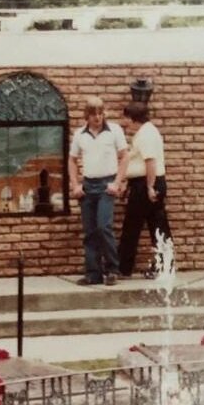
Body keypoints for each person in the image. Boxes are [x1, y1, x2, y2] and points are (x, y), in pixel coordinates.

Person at [68, 97, 128, 286]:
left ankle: (112, 270)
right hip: (88, 185)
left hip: (106, 185)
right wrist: (75, 185)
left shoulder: (115, 131)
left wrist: (117, 182)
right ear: (87, 115)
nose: (97, 117)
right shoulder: (80, 134)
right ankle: (93, 273)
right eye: (93, 114)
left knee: (104, 227)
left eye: (101, 113)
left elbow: (125, 157)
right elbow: (72, 160)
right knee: (90, 231)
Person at [116, 102, 173, 279]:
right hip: (145, 183)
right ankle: (164, 266)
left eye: (126, 118)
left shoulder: (146, 135)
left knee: (133, 226)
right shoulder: (147, 131)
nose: (125, 122)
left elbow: (150, 162)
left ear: (132, 118)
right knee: (157, 225)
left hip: (146, 184)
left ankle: (123, 268)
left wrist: (149, 186)